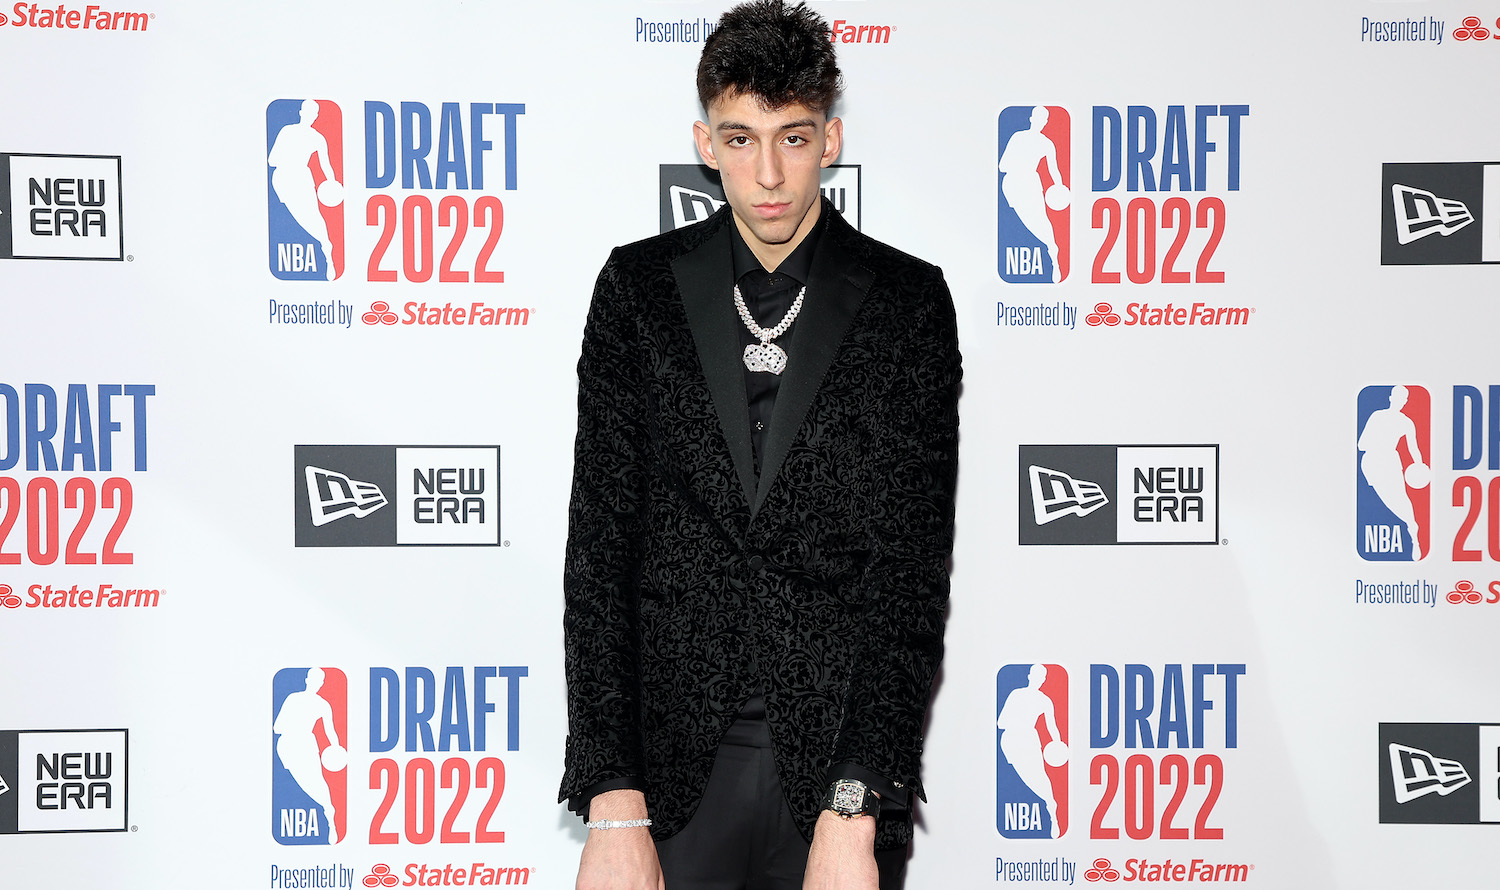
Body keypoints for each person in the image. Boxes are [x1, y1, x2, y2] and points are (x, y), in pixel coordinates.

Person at [559, 2, 961, 888]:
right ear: (705, 143)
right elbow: (599, 554)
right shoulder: (637, 292)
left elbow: (910, 577)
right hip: (669, 777)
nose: (769, 173)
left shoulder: (908, 305)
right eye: (740, 141)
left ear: (833, 137)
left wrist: (856, 806)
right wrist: (612, 799)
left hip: (832, 776)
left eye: (794, 137)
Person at [268, 99, 339, 280]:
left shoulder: (317, 138)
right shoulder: (287, 131)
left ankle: (327, 252)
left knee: (313, 216)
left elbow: (326, 165)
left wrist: (332, 183)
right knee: (296, 216)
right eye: (308, 112)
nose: (310, 116)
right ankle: (325, 246)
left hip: (301, 179)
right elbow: (271, 160)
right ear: (301, 113)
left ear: (315, 116)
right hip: (283, 179)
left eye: (313, 113)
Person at [272, 667, 345, 843]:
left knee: (317, 781)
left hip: (306, 745)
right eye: (315, 679)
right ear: (307, 680)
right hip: (288, 746)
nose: (317, 683)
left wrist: (336, 748)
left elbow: (331, 731)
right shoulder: (293, 698)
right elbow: (276, 727)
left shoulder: (322, 705)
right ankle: (328, 809)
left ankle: (330, 816)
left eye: (319, 680)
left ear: (321, 683)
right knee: (302, 783)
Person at [1357, 385, 1427, 559]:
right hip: (1372, 463)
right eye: (1398, 397)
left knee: (1400, 497)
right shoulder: (1377, 416)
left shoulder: (1406, 422)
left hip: (1390, 462)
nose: (1401, 401)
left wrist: (1419, 466)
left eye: (1404, 399)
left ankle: (1413, 531)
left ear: (1405, 401)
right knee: (1386, 499)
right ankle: (1411, 525)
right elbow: (1361, 445)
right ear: (1391, 398)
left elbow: (1414, 448)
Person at [997, 105, 1065, 283]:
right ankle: (1051, 249)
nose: (1041, 122)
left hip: (1032, 185)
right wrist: (1018, 165)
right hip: (1012, 185)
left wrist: (1059, 187)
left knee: (1041, 220)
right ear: (1032, 118)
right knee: (1025, 222)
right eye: (1038, 118)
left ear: (1046, 122)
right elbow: (1002, 165)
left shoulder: (1047, 143)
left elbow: (1054, 170)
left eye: (1044, 119)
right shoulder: (1018, 137)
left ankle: (1054, 255)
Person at [996, 664, 1063, 838]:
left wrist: (1058, 743)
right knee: (1027, 779)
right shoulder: (1016, 694)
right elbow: (1000, 722)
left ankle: (1052, 810)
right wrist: (1018, 721)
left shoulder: (1045, 701)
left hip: (1030, 740)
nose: (1039, 679)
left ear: (1044, 679)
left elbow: (1052, 726)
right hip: (1010, 741)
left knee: (1039, 776)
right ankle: (1050, 803)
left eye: (1042, 676)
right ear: (1029, 676)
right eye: (1036, 675)